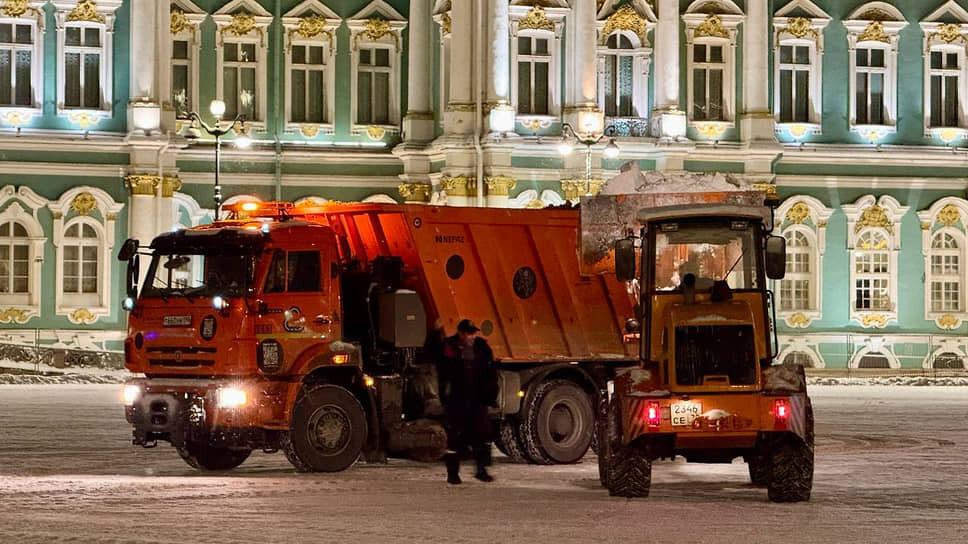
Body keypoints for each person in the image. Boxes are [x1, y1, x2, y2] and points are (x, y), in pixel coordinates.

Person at [434, 319, 499, 485]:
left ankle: (481, 470)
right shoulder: (450, 346)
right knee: (455, 438)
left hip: (477, 399)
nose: (472, 336)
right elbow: (438, 360)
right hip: (457, 400)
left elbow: (490, 373)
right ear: (461, 333)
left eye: (473, 333)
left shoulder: (481, 347)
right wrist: (436, 334)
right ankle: (453, 474)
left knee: (482, 435)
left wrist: (491, 397)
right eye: (469, 333)